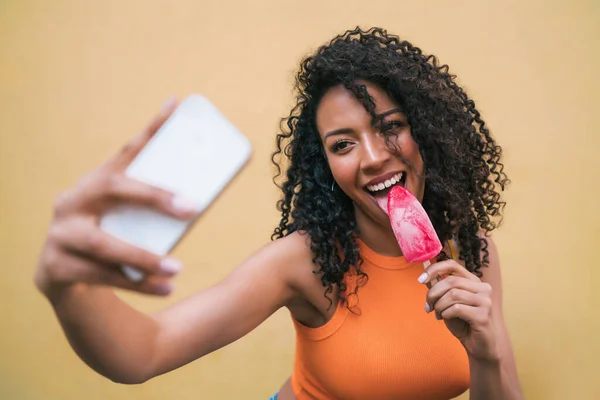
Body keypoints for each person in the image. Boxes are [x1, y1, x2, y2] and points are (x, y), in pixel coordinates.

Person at [34, 27, 523, 399]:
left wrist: (487, 351)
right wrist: (70, 288)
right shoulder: (308, 262)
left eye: (390, 126)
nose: (373, 157)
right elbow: (147, 350)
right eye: (343, 144)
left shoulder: (472, 250)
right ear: (327, 165)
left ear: (430, 132)